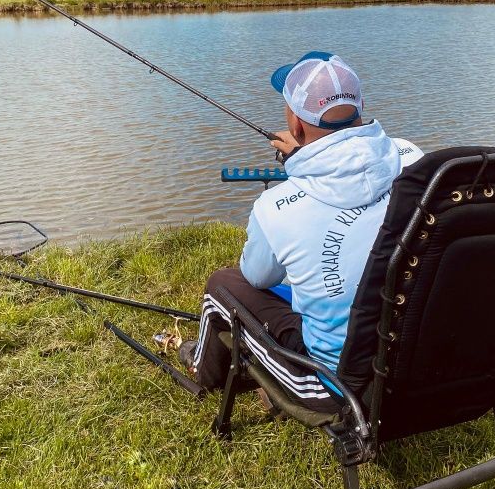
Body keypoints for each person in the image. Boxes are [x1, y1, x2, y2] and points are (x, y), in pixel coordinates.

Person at [179, 51, 423, 411]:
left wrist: (303, 166)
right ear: (359, 108)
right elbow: (352, 166)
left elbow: (257, 277)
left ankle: (203, 368)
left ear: (294, 124)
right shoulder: (414, 159)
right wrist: (307, 161)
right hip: (418, 354)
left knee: (223, 284)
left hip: (340, 388)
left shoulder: (275, 207)